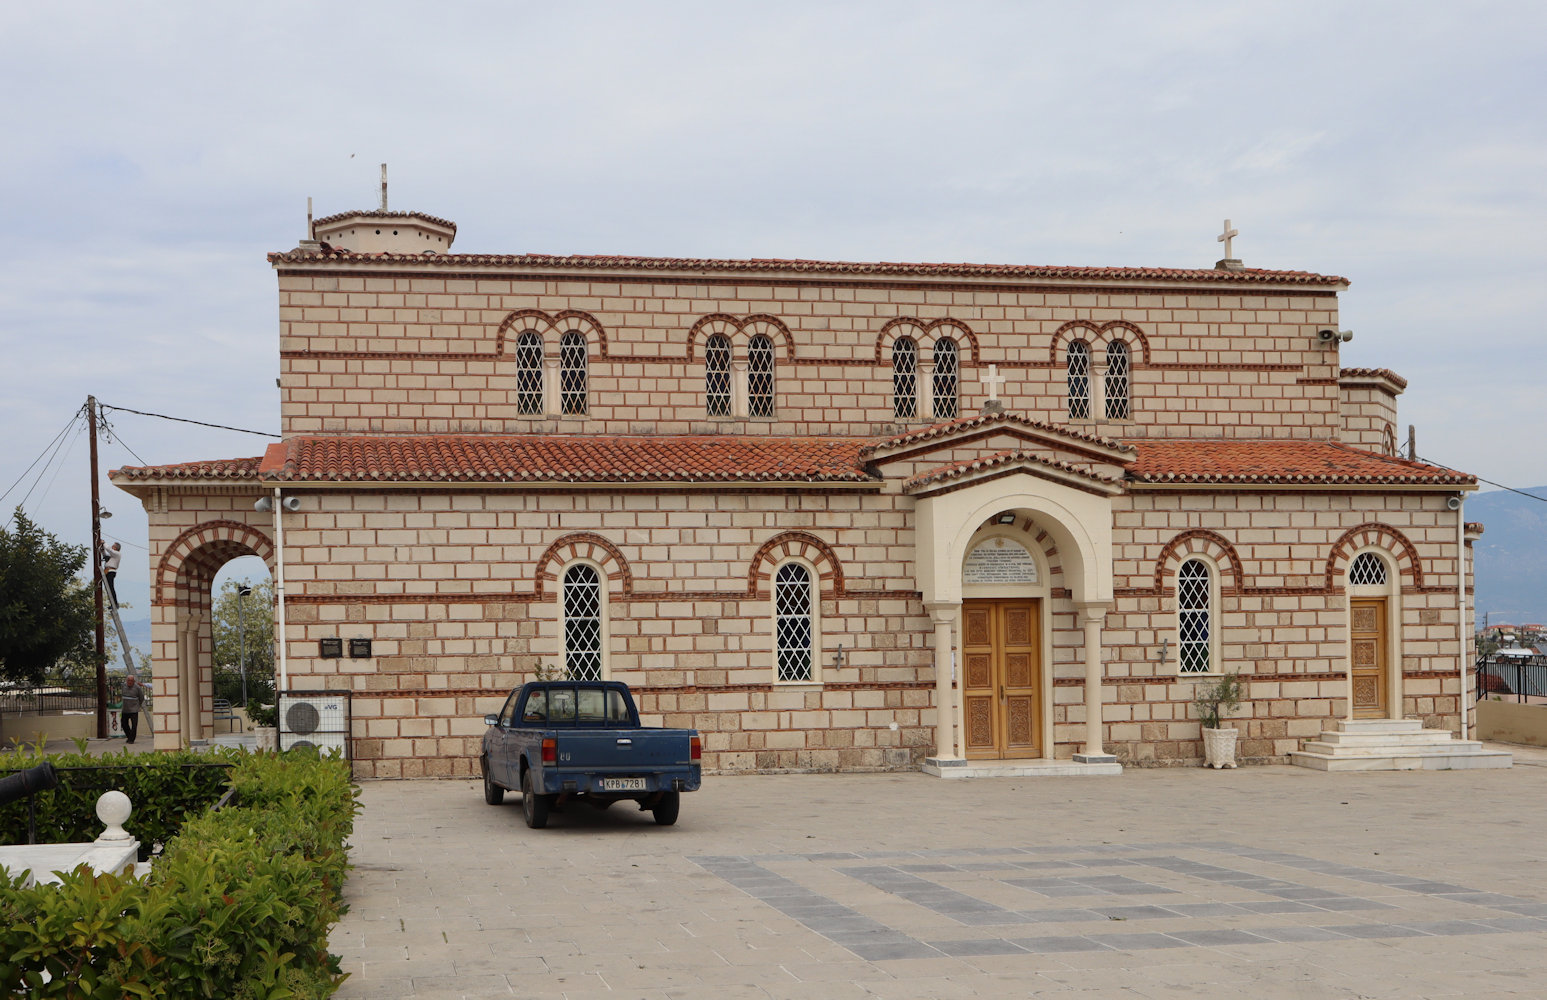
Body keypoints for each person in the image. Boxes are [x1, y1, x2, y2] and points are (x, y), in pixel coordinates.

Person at [121, 675, 144, 744]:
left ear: (134, 681)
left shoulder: (137, 688)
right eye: (128, 680)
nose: (130, 682)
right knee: (124, 724)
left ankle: (131, 739)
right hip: (125, 709)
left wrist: (137, 705)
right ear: (126, 680)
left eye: (131, 681)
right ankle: (129, 736)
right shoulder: (123, 686)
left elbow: (141, 697)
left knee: (134, 725)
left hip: (134, 709)